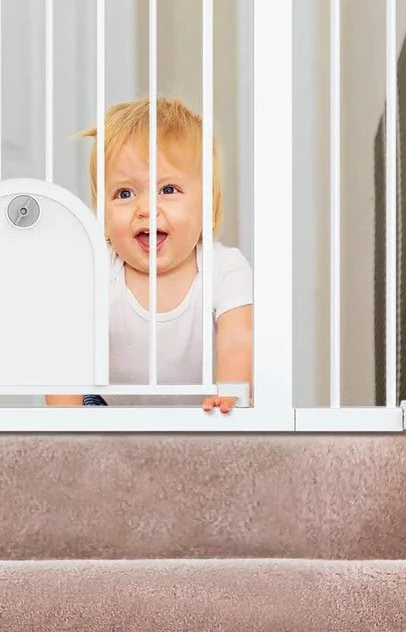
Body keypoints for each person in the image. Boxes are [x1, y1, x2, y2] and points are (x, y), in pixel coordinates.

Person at [46, 97, 253, 413]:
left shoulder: (224, 268)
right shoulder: (97, 266)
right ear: (101, 212)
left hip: (199, 410)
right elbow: (64, 346)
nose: (146, 208)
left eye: (168, 190)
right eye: (124, 194)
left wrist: (230, 396)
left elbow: (238, 340)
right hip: (108, 408)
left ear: (208, 204)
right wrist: (66, 425)